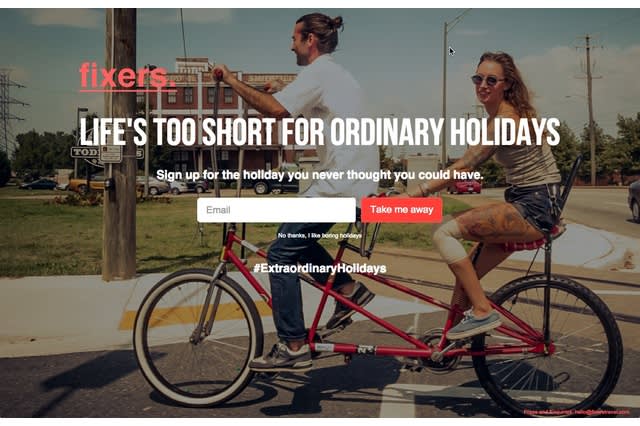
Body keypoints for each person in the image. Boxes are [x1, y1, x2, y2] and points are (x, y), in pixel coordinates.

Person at [213, 13, 379, 372]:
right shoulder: (333, 74)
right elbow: (303, 104)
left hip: (342, 184)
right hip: (352, 182)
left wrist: (231, 80)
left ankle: (292, 345)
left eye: (294, 38)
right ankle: (348, 290)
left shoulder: (319, 74)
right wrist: (278, 89)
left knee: (280, 253)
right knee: (293, 241)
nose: (290, 46)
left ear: (310, 40)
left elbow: (276, 111)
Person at [405, 51, 562, 340]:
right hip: (531, 203)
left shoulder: (505, 120)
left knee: (442, 231)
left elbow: (465, 165)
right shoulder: (504, 116)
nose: (483, 85)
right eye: (478, 78)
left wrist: (413, 196)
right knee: (467, 279)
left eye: (491, 80)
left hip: (533, 206)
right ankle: (447, 347)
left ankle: (482, 310)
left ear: (507, 84)